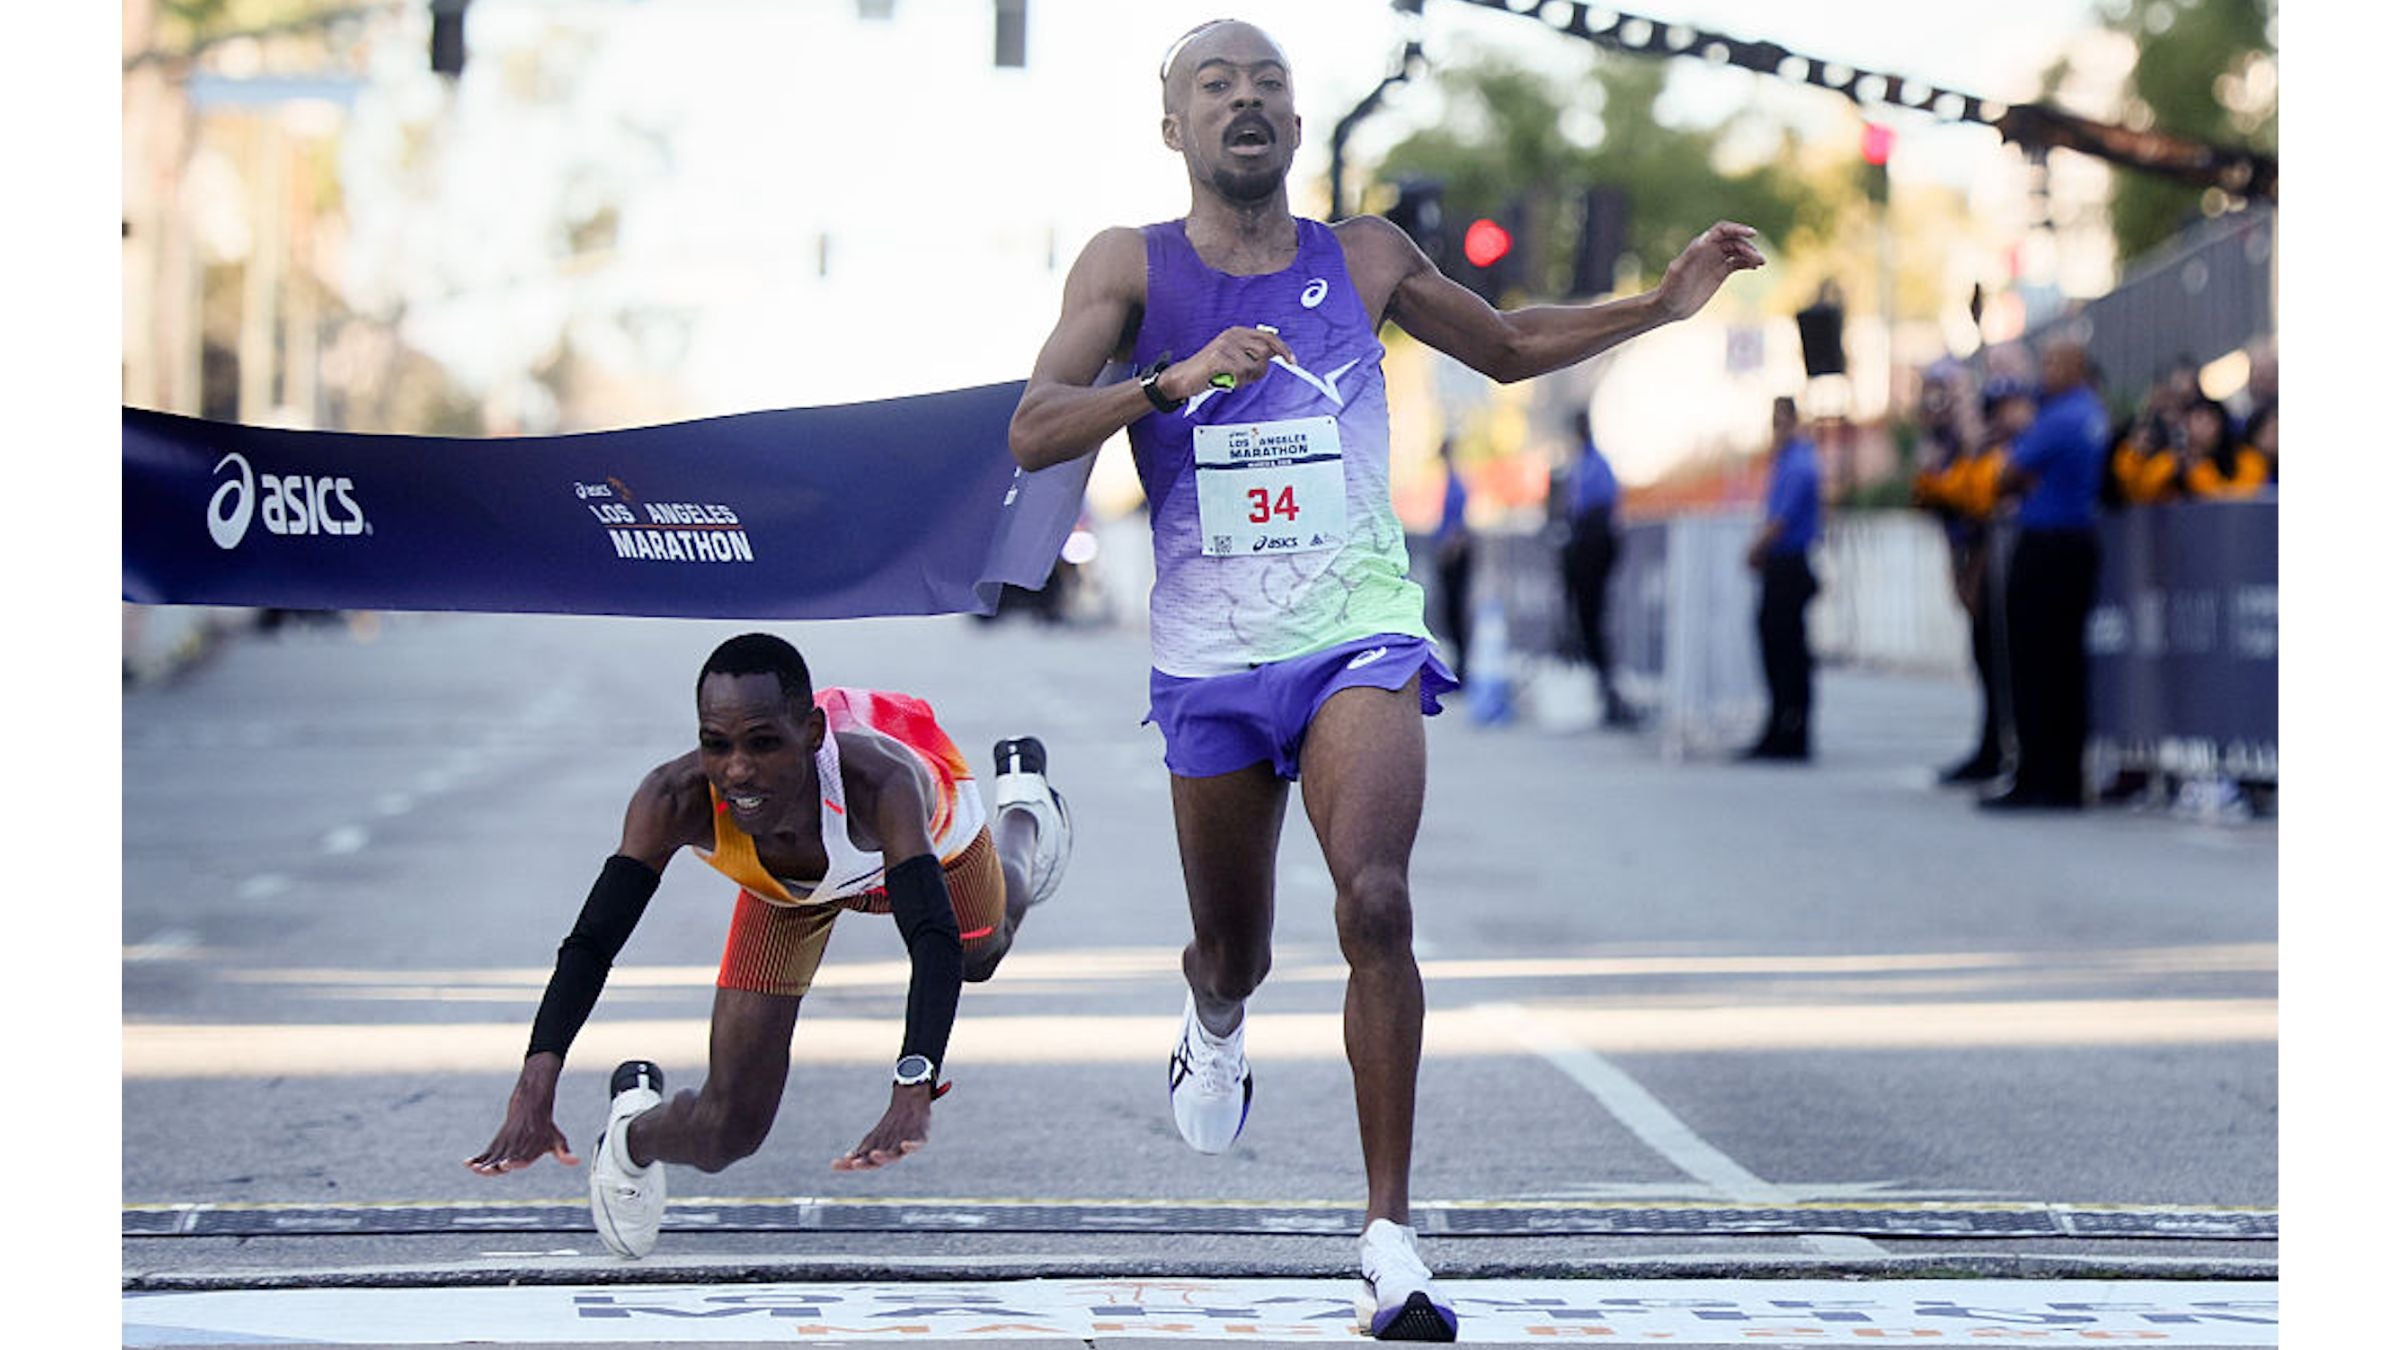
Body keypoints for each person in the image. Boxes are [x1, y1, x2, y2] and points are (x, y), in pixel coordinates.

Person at [1004, 18, 1761, 1341]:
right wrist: (1169, 382)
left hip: (1356, 630)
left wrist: (1657, 302)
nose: (1246, 102)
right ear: (1172, 126)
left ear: (1297, 128)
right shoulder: (1130, 265)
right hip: (1212, 660)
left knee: (1377, 896)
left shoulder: (1364, 258)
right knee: (1238, 942)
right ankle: (1214, 1008)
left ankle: (1390, 1242)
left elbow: (1512, 342)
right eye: (1215, 87)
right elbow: (1033, 424)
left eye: (1270, 87)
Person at [465, 632, 1070, 1259]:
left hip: (928, 849)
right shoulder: (673, 797)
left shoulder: (881, 782)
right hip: (787, 893)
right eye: (716, 745)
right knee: (731, 1129)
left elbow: (930, 937)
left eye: (763, 744)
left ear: (811, 734)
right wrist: (537, 1079)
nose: (736, 771)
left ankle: (1024, 812)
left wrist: (912, 1084)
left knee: (982, 954)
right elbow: (593, 942)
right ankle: (627, 1138)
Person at [1984, 339, 2109, 811]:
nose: (2046, 371)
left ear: (2077, 366)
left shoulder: (2062, 417)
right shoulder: (2090, 412)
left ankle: (2038, 775)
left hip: (2049, 544)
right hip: (2076, 543)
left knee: (2036, 664)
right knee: (2065, 665)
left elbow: (2007, 474)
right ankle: (2065, 777)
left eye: (2055, 362)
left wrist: (2020, 472)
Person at [1913, 371, 2020, 784]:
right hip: (1963, 545)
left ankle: (2001, 746)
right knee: (1980, 651)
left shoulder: (1988, 441)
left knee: (1995, 653)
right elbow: (1931, 494)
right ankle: (1989, 744)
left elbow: (1984, 494)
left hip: (1988, 549)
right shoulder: (1945, 444)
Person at [1740, 397, 1821, 761]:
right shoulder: (1787, 461)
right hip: (1782, 562)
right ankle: (1781, 724)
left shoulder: (1799, 463)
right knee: (1778, 647)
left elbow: (1780, 520)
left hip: (1789, 563)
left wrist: (1755, 549)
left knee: (1788, 650)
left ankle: (1792, 728)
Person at [1560, 409, 1638, 728]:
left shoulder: (1596, 465)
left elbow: (1599, 506)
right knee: (1585, 619)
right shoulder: (1581, 464)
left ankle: (1608, 692)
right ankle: (1601, 690)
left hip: (1593, 543)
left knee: (1593, 617)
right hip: (1584, 543)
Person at [1431, 438, 1474, 685]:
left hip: (1454, 556)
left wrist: (1449, 551)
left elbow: (1457, 527)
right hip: (1451, 554)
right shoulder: (1451, 482)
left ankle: (1463, 670)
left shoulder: (1456, 483)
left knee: (1455, 612)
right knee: (1451, 613)